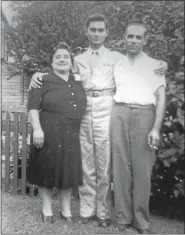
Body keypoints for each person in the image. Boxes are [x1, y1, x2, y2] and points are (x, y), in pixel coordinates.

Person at [29, 14, 167, 227]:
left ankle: (103, 213)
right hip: (85, 108)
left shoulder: (117, 57)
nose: (96, 34)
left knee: (104, 162)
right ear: (86, 31)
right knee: (86, 161)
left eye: (100, 30)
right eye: (92, 30)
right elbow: (61, 72)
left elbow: (141, 61)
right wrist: (36, 74)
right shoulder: (79, 59)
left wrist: (163, 64)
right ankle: (86, 210)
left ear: (107, 33)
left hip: (106, 106)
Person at [111, 22, 166, 234]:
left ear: (145, 40)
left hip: (144, 116)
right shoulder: (117, 62)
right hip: (120, 113)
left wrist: (155, 129)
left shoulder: (155, 65)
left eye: (138, 37)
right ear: (124, 37)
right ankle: (123, 218)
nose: (133, 41)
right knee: (121, 169)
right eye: (130, 36)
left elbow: (161, 98)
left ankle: (141, 222)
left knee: (142, 171)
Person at [27, 42, 86, 223]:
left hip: (71, 132)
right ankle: (47, 210)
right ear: (52, 62)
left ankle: (66, 211)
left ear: (71, 60)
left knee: (67, 171)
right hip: (47, 130)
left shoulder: (78, 81)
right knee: (46, 169)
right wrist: (37, 129)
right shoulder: (42, 80)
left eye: (65, 57)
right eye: (57, 57)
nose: (62, 60)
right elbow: (32, 107)